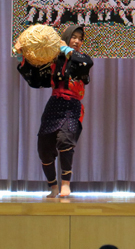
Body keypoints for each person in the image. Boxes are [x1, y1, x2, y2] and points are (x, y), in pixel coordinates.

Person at [15, 25, 93, 198]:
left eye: (80, 38)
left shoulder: (81, 59)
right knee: (44, 147)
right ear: (66, 38)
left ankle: (66, 184)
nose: (78, 41)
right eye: (74, 37)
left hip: (72, 105)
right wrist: (22, 56)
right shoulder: (53, 61)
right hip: (54, 104)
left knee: (66, 141)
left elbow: (87, 63)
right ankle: (53, 187)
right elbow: (35, 81)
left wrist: (67, 51)